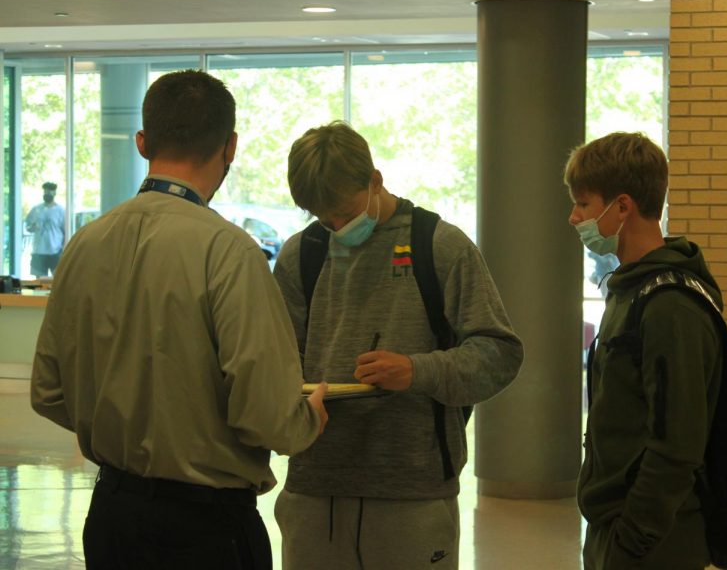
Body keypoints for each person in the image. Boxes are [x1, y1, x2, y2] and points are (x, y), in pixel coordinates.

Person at [31, 69, 328, 570]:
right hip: (204, 526)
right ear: (230, 147)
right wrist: (307, 420)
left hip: (111, 516)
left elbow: (48, 390)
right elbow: (265, 413)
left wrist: (122, 420)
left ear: (143, 142)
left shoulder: (84, 244)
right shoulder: (229, 250)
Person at [273, 121, 523, 570]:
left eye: (345, 213)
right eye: (322, 217)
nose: (336, 225)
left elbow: (500, 354)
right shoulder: (301, 254)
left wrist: (417, 370)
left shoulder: (439, 246)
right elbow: (276, 361)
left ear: (375, 181)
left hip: (414, 491)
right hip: (314, 488)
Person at [565, 132, 723, 570]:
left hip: (652, 544)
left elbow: (677, 446)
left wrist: (629, 544)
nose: (572, 216)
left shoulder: (671, 305)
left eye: (583, 203)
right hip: (615, 529)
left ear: (621, 207)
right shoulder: (629, 291)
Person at [25, 181, 66, 277]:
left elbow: (65, 231)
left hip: (55, 251)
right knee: (38, 282)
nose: (47, 194)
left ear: (54, 193)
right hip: (38, 251)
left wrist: (63, 248)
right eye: (45, 192)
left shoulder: (61, 211)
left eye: (49, 192)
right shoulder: (36, 209)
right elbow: (28, 227)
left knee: (57, 280)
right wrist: (32, 228)